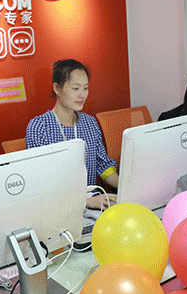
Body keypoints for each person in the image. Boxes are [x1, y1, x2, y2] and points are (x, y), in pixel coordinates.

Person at [26, 59, 118, 209]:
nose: (82, 95)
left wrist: (125, 186)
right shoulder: (39, 126)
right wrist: (85, 202)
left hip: (94, 203)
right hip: (58, 206)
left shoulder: (89, 122)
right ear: (57, 88)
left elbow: (103, 165)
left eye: (85, 88)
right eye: (75, 88)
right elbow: (42, 183)